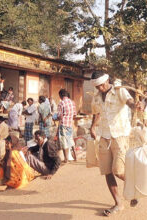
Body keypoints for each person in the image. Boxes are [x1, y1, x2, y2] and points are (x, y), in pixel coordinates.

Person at [89, 71, 139, 216]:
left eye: (101, 85)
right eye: (97, 86)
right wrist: (93, 127)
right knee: (107, 171)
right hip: (104, 136)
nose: (100, 88)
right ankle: (118, 203)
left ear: (107, 80)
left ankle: (135, 187)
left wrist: (136, 105)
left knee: (118, 170)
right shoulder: (97, 95)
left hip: (120, 135)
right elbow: (97, 112)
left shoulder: (119, 91)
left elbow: (130, 102)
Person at [57, 89, 77, 163]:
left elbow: (59, 116)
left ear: (61, 95)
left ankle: (66, 159)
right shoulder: (72, 102)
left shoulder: (61, 103)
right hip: (70, 124)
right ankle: (75, 156)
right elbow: (74, 114)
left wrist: (56, 117)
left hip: (63, 124)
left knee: (64, 141)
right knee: (70, 140)